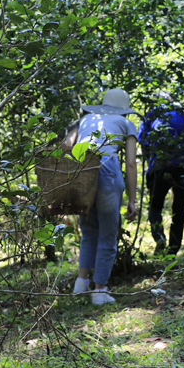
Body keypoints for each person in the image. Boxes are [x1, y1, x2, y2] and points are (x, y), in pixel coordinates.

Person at [62, 89, 138, 305]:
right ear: (124, 109)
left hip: (82, 168)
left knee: (88, 231)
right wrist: (132, 200)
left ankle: (81, 283)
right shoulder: (126, 124)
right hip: (108, 169)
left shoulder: (87, 119)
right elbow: (131, 163)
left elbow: (67, 145)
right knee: (108, 232)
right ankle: (100, 290)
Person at [138, 93, 184, 255]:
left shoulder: (151, 116)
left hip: (159, 166)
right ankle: (173, 249)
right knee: (179, 209)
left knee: (155, 206)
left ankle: (159, 238)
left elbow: (143, 140)